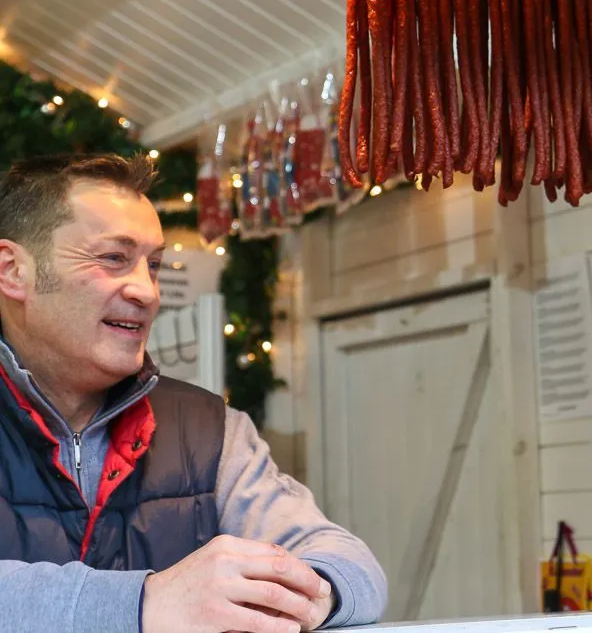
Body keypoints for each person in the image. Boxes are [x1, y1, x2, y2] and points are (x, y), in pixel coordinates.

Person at [0, 154, 388, 633]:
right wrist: (147, 602)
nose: (148, 292)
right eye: (113, 258)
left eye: (154, 265)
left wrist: (305, 594)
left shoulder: (209, 428)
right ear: (13, 270)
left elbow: (351, 565)